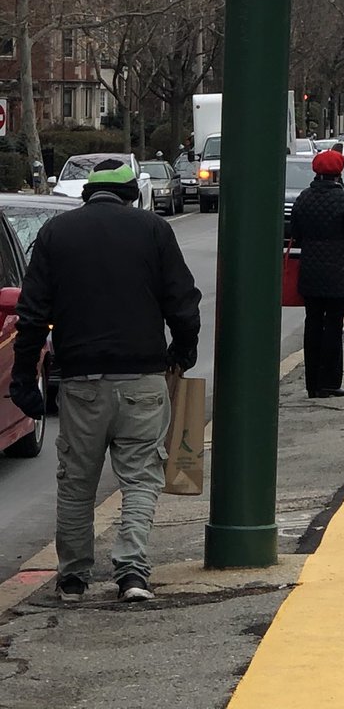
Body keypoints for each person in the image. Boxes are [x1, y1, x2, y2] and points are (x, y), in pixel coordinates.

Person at [9, 159, 201, 604]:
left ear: (86, 194)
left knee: (77, 480)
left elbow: (32, 314)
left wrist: (24, 377)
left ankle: (73, 578)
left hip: (80, 382)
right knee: (140, 479)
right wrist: (181, 352)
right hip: (142, 378)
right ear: (132, 193)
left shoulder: (56, 235)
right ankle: (132, 573)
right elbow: (183, 302)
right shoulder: (153, 230)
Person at [290, 149, 344, 399]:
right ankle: (330, 380)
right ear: (339, 173)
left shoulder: (304, 198)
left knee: (313, 324)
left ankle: (312, 383)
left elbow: (295, 230)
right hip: (338, 272)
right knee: (334, 326)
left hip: (310, 272)